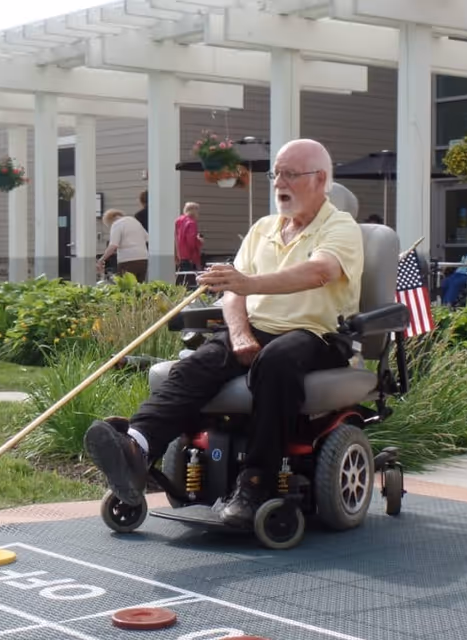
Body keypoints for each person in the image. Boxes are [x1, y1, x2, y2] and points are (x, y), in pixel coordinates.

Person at [84, 138, 364, 528]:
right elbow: (234, 291)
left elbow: (320, 272)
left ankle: (255, 484)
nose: (279, 182)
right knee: (196, 363)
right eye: (276, 173)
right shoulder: (263, 228)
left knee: (276, 362)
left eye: (290, 174)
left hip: (316, 335)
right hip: (257, 329)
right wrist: (240, 334)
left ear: (319, 179)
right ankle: (136, 447)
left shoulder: (341, 227)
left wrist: (247, 283)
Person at [97, 209, 149, 282]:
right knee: (140, 286)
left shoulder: (116, 224)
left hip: (127, 260)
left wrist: (101, 260)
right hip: (143, 259)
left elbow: (113, 246)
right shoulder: (135, 221)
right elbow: (147, 238)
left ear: (110, 220)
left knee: (126, 287)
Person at [175, 201, 204, 271]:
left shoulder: (178, 221)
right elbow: (191, 241)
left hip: (178, 255)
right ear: (194, 212)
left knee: (180, 277)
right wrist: (199, 241)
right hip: (189, 257)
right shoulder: (191, 223)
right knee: (190, 279)